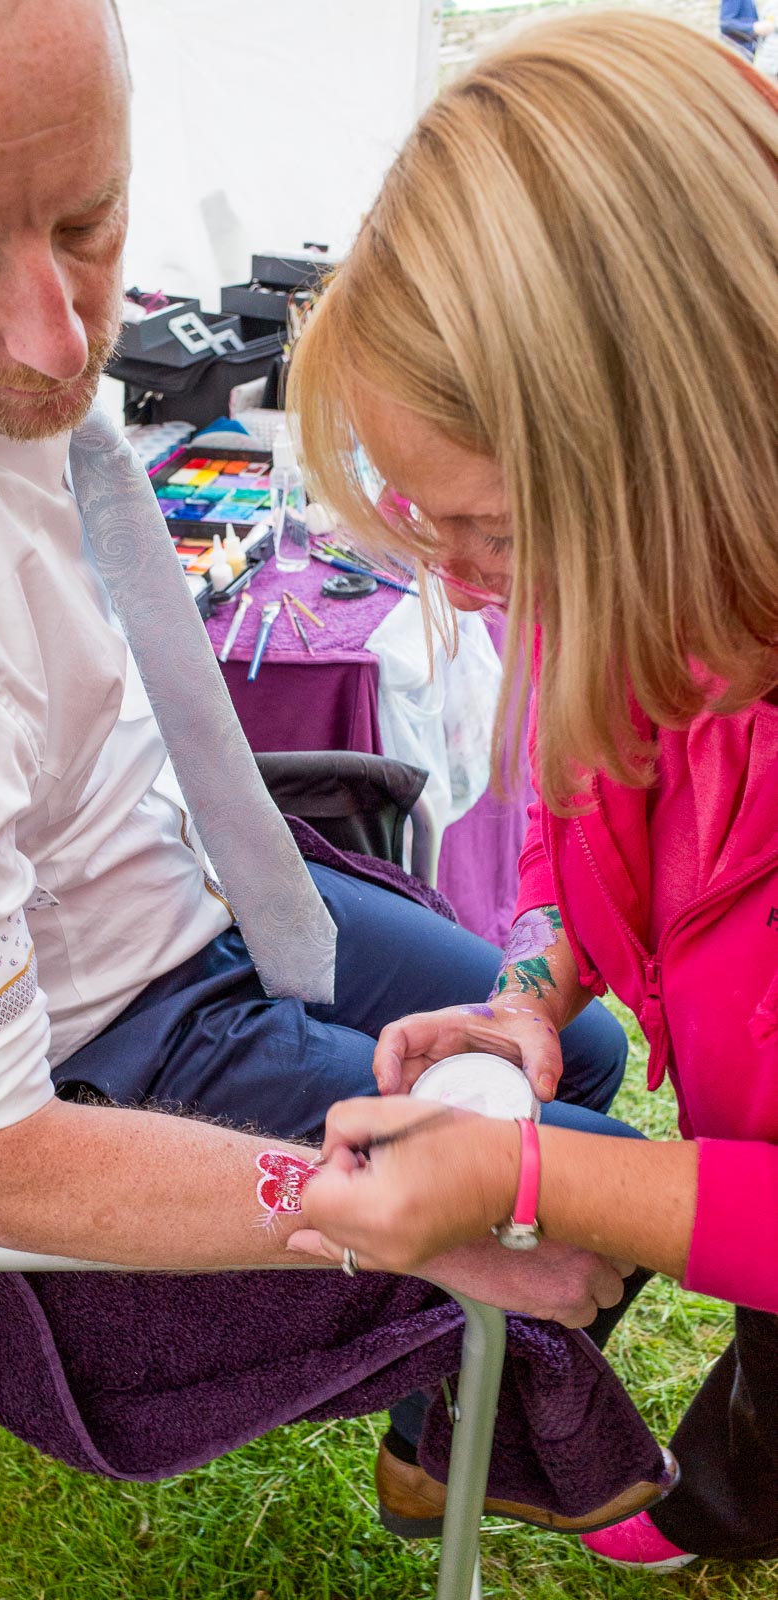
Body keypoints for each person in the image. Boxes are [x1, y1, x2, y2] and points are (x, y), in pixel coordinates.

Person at [0, 0, 645, 1534]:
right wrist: (379, 1220)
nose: (64, 337)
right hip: (108, 1044)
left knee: (575, 1053)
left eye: (86, 217)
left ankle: (439, 1438)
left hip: (196, 893)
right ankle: (479, 1429)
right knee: (596, 1174)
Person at [288, 7, 778, 1571]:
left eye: (493, 529)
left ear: (688, 432)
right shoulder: (652, 584)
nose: (471, 588)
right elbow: (587, 826)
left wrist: (530, 1168)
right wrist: (525, 998)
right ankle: (722, 1495)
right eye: (428, 526)